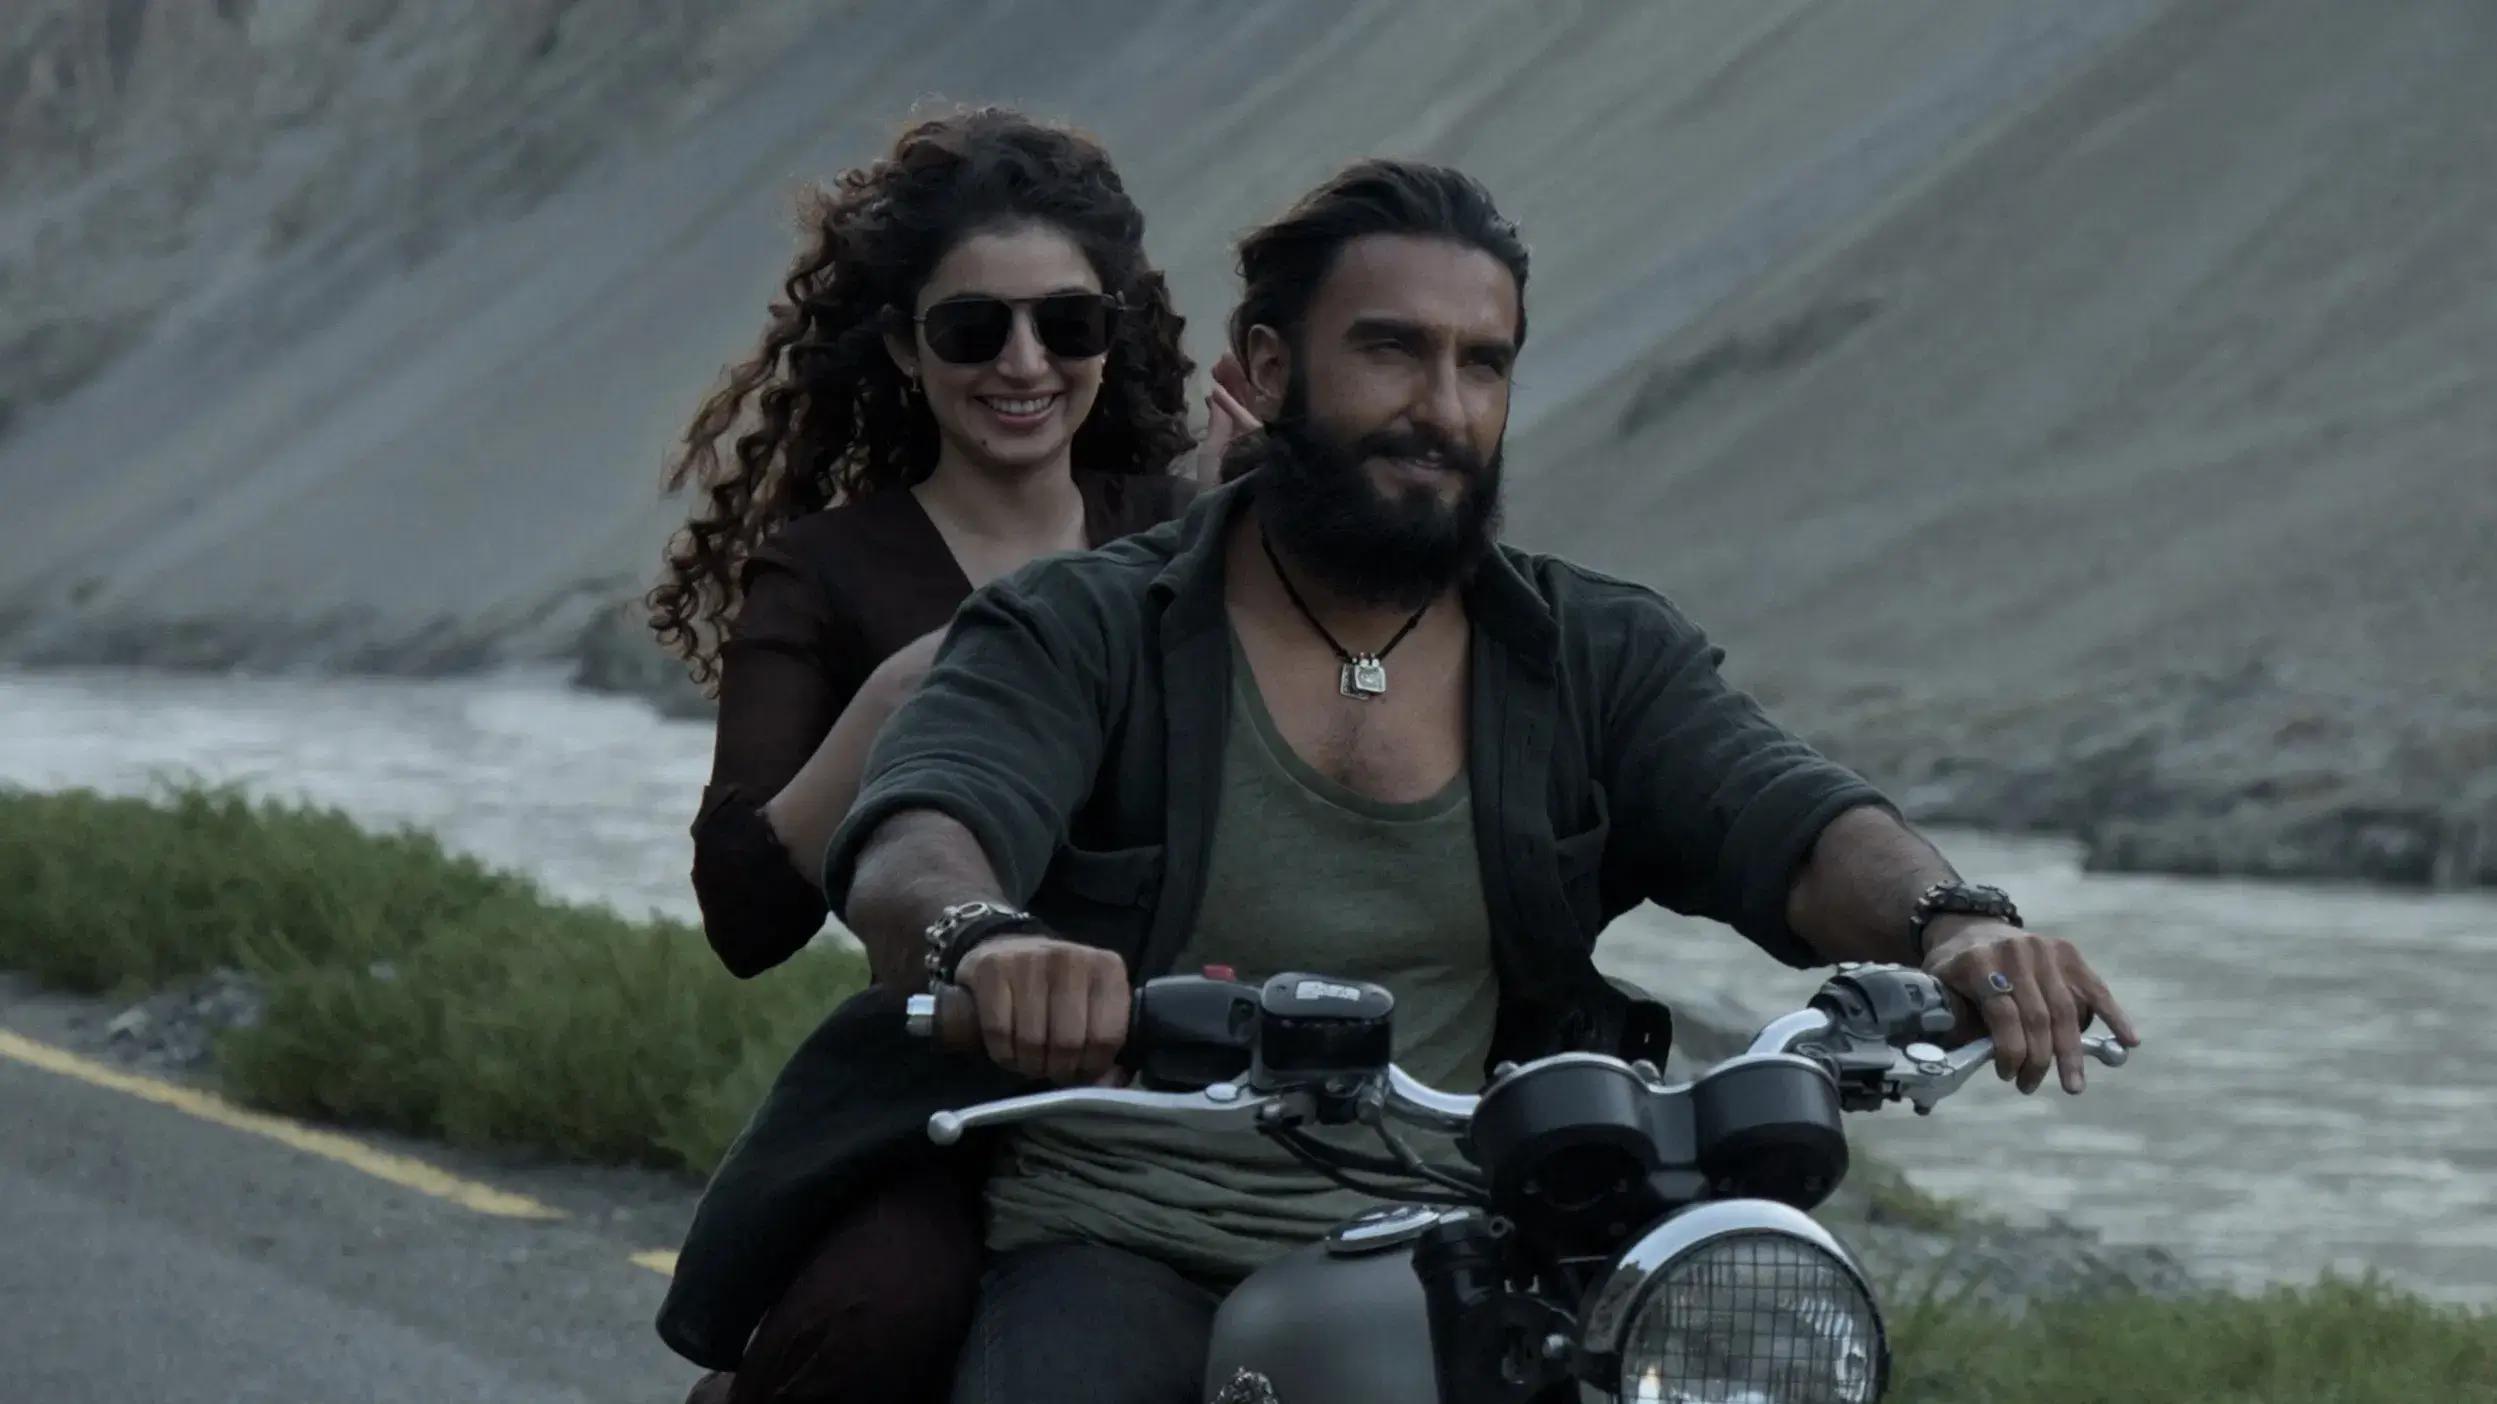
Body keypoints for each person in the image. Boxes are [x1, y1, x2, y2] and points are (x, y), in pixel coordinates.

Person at [657, 158, 2140, 1402]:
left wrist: (1953, 922)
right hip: (1123, 1234)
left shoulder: (1588, 650)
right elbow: (925, 827)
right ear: (1266, 370)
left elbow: (1790, 815)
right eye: (1391, 351)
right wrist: (989, 941)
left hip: (1466, 1242)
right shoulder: (1083, 625)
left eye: (1480, 364)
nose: (1441, 405)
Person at [643, 105, 1252, 1404]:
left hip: (1183, 1081)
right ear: (905, 349)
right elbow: (745, 917)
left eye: (1067, 323)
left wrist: (1255, 520)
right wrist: (912, 689)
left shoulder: (1182, 526)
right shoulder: (825, 571)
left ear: (1112, 335)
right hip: (941, 1093)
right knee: (879, 1315)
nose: (1024, 362)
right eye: (975, 328)